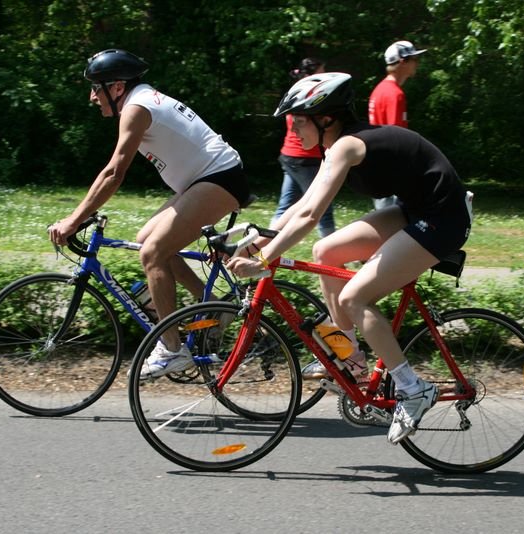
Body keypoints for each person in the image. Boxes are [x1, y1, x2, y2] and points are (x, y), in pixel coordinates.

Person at [226, 73, 473, 444]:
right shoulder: (337, 145)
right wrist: (263, 236)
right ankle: (351, 357)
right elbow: (304, 205)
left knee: (354, 297)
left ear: (325, 117)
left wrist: (265, 259)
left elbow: (311, 218)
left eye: (297, 119)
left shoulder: (346, 145)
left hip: (443, 219)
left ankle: (413, 387)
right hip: (415, 210)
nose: (292, 129)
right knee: (326, 250)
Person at [48, 49, 250, 379]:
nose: (91, 97)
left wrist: (74, 219)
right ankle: (211, 305)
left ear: (116, 88)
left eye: (96, 88)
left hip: (219, 178)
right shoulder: (140, 100)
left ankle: (172, 348)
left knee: (154, 253)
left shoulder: (136, 108)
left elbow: (114, 172)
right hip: (208, 178)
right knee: (147, 241)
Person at [271, 57, 336, 237]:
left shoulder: (296, 92)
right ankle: (332, 253)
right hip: (305, 159)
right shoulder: (311, 96)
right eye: (322, 71)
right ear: (314, 74)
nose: (325, 75)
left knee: (284, 208)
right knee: (322, 208)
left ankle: (257, 248)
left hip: (290, 156)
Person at [367, 40, 427, 210]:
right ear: (403, 62)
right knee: (392, 221)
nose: (417, 64)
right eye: (414, 59)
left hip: (377, 162)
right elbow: (396, 136)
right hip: (390, 166)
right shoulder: (395, 94)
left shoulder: (379, 90)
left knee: (384, 218)